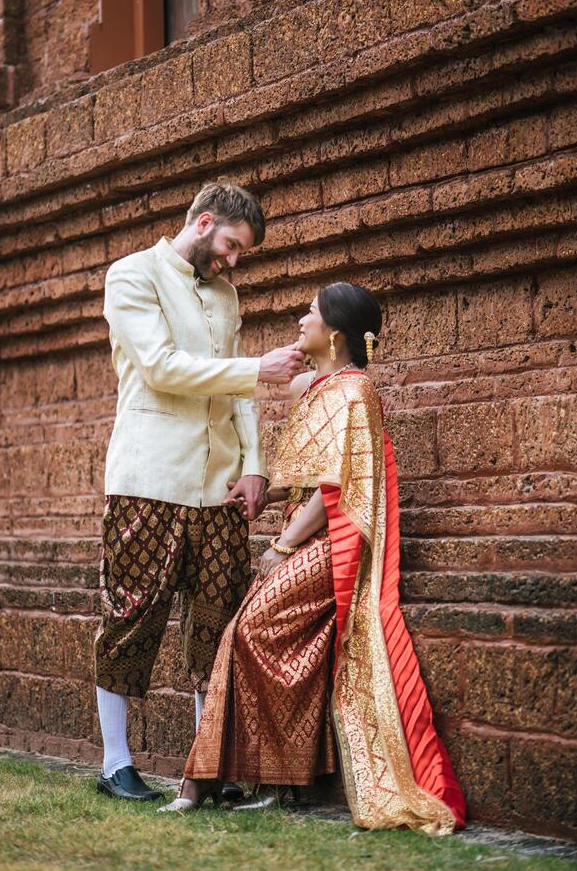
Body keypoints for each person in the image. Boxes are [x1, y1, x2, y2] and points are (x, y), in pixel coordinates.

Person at [160, 282, 467, 834]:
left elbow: (335, 491)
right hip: (307, 534)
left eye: (312, 313)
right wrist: (262, 490)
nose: (301, 316)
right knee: (263, 639)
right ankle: (276, 784)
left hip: (332, 546)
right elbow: (304, 468)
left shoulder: (353, 392)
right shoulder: (328, 386)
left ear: (337, 332)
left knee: (246, 629)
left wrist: (281, 548)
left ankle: (203, 782)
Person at [94, 178, 306, 802]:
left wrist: (256, 466)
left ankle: (205, 768)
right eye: (232, 246)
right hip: (147, 479)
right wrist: (255, 369)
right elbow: (160, 368)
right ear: (204, 221)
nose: (233, 261)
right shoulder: (131, 275)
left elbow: (237, 391)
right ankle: (114, 763)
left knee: (216, 624)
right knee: (130, 615)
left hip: (218, 487)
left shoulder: (226, 296)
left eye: (241, 254)